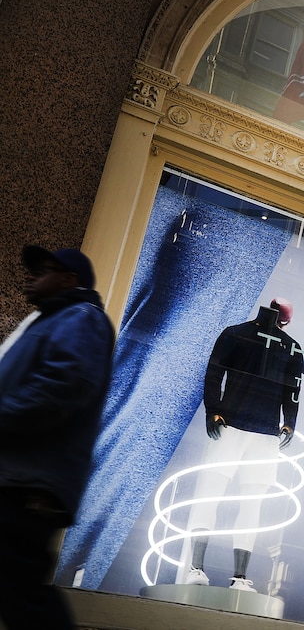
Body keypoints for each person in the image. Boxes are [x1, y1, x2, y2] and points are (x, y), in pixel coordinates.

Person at [0, 245, 115, 629]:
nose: (31, 276)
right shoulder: (51, 320)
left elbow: (62, 387)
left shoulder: (80, 318)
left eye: (43, 270)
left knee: (20, 590)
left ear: (69, 280)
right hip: (19, 478)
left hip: (28, 485)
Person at [183, 298, 302, 592]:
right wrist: (213, 410)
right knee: (226, 500)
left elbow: (291, 390)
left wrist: (289, 421)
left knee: (238, 502)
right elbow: (214, 373)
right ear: (286, 321)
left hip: (255, 431)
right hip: (240, 428)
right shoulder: (244, 335)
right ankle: (202, 569)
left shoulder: (244, 335)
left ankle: (227, 574)